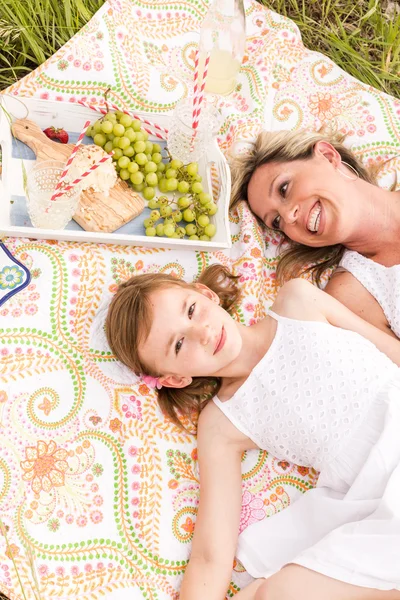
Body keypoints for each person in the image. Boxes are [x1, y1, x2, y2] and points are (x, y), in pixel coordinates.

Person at [106, 264, 400, 600]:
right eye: (178, 345)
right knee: (270, 593)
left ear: (205, 294)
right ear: (174, 378)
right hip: (376, 492)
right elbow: (210, 554)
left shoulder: (298, 301)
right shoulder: (222, 422)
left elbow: (392, 352)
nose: (201, 333)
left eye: (191, 310)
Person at [230, 129, 400, 340]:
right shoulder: (351, 298)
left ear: (328, 156)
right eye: (276, 221)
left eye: (284, 188)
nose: (288, 216)